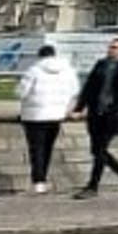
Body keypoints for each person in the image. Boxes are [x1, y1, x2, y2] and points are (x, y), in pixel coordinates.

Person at [79, 34, 118, 196]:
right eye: (110, 47)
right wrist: (80, 107)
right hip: (96, 112)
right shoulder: (101, 65)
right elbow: (89, 87)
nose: (111, 50)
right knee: (97, 150)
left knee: (100, 149)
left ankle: (93, 186)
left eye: (115, 47)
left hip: (113, 114)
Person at [13, 41, 80, 194]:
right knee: (48, 148)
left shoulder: (33, 71)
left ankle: (38, 181)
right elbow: (74, 90)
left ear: (40, 56)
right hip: (56, 115)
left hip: (34, 116)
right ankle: (43, 178)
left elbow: (21, 92)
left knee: (36, 149)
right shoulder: (68, 70)